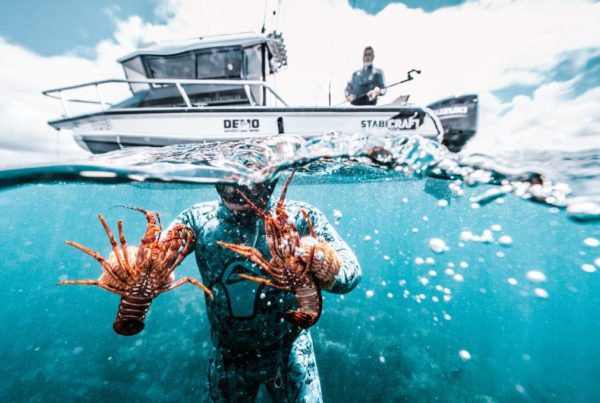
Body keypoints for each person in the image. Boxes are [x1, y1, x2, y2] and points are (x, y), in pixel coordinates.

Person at [164, 177, 362, 402]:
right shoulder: (197, 219)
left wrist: (327, 263)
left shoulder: (300, 216)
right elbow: (157, 254)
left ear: (271, 179)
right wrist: (138, 266)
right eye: (228, 180)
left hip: (290, 350)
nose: (239, 191)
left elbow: (352, 270)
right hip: (227, 354)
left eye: (254, 181)